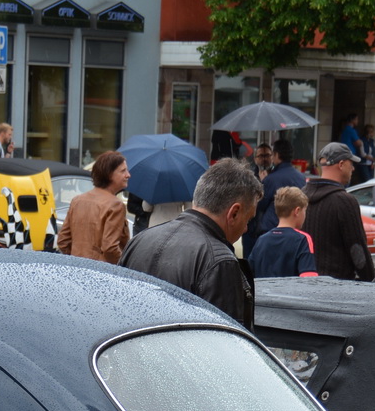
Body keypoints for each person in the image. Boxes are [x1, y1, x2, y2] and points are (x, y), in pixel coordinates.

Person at [120, 158, 261, 326]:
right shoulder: (220, 261)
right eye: (248, 219)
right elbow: (223, 342)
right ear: (234, 213)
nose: (246, 228)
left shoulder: (138, 241)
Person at [302, 142, 373, 281]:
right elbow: (357, 250)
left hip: (304, 283)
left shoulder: (301, 195)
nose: (352, 169)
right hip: (337, 287)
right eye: (350, 164)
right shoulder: (345, 201)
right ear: (341, 165)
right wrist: (371, 282)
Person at [57, 149, 129, 263]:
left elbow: (63, 241)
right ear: (109, 174)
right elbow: (110, 248)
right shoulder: (115, 205)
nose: (128, 175)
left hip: (77, 268)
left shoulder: (78, 200)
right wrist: (124, 264)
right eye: (123, 171)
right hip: (102, 272)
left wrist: (78, 258)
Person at [248, 187, 318, 278]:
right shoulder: (302, 239)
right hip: (289, 292)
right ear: (297, 211)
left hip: (263, 291)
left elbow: (249, 273)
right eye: (304, 211)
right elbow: (309, 277)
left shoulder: (261, 240)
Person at [253, 139, 305, 238]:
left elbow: (260, 204)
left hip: (272, 229)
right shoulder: (301, 177)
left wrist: (263, 182)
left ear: (276, 155)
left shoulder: (271, 179)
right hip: (295, 228)